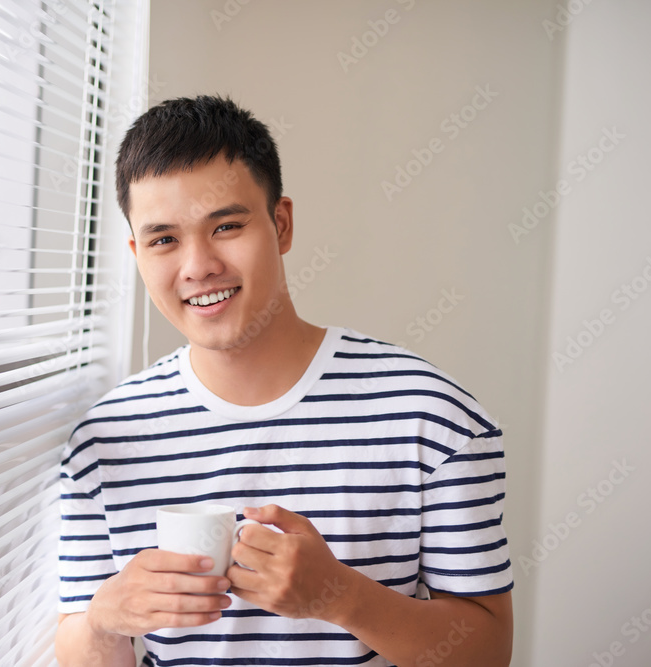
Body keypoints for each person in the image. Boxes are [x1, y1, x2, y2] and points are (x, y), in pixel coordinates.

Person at [55, 95, 513, 667]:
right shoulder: (101, 440)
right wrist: (105, 620)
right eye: (164, 239)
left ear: (282, 223)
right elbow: (80, 640)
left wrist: (340, 596)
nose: (197, 266)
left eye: (225, 225)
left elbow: (489, 653)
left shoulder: (434, 418)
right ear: (137, 253)